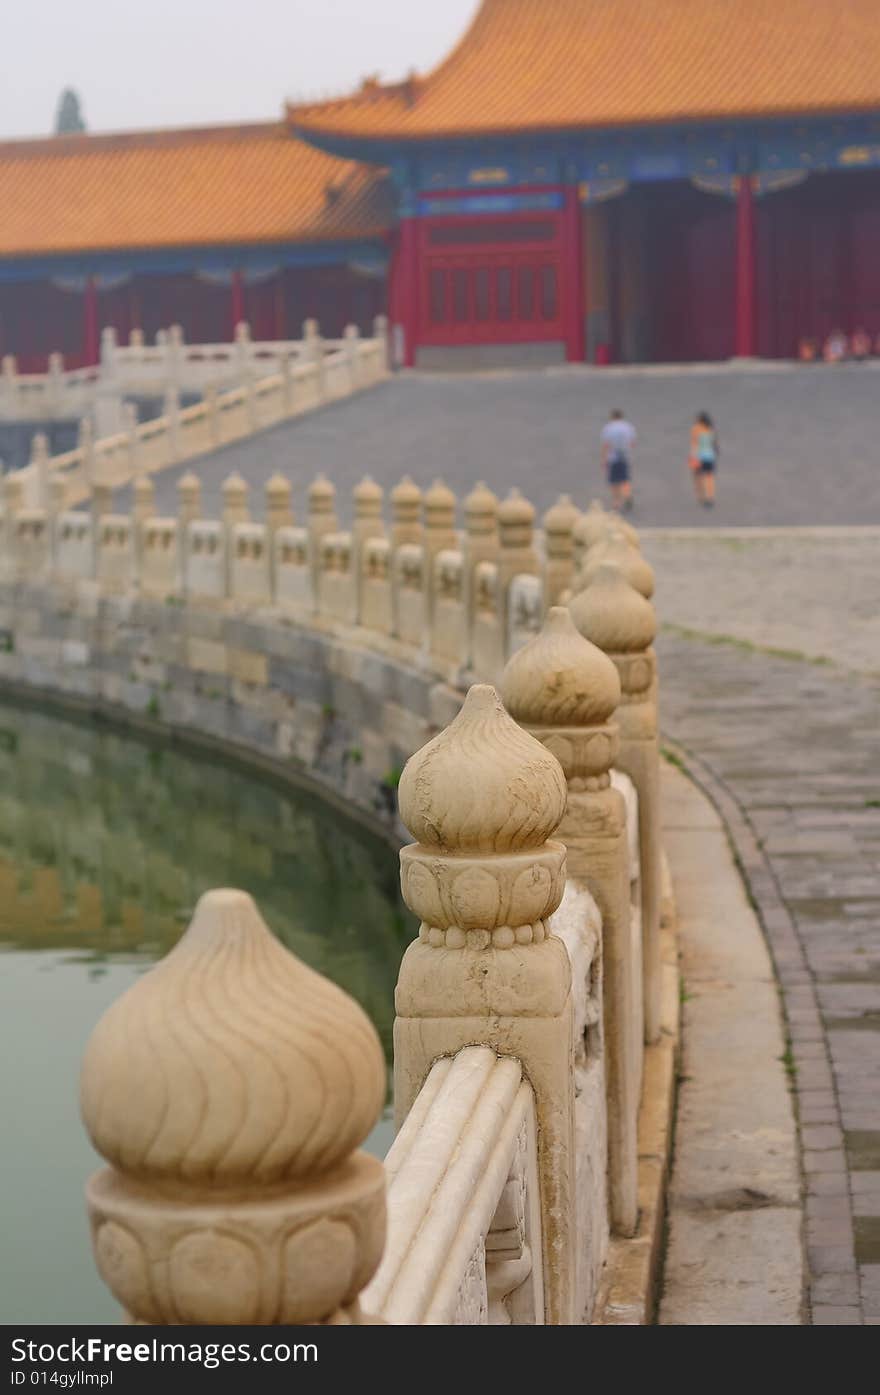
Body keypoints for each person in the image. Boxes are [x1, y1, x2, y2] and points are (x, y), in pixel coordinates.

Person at [599, 408, 636, 512]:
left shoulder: (608, 428)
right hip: (624, 456)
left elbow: (606, 445)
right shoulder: (628, 427)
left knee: (614, 482)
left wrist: (603, 459)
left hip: (613, 457)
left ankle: (616, 502)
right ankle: (627, 495)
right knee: (624, 479)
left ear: (612, 417)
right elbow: (632, 443)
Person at [688, 411, 718, 508]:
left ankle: (701, 497)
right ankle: (710, 497)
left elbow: (694, 443)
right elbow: (714, 443)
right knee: (709, 477)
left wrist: (692, 456)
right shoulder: (710, 429)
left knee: (698, 478)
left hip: (699, 457)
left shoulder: (696, 428)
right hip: (710, 457)